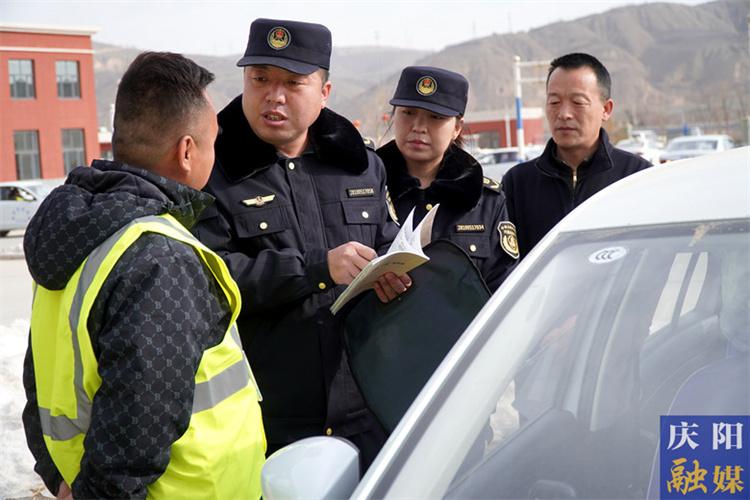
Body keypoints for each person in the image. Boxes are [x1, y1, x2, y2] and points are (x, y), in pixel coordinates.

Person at [22, 52, 266, 499]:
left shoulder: (76, 233)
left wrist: (59, 477)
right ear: (187, 151)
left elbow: (39, 375)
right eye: (212, 141)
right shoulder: (159, 255)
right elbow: (139, 422)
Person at [192, 18, 407, 468]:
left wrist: (393, 271)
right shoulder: (211, 172)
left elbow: (385, 241)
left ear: (324, 92)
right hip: (267, 419)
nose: (275, 95)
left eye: (293, 83)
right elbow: (209, 281)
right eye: (261, 79)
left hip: (367, 409)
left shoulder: (359, 164)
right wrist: (315, 269)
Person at [377, 66, 518, 292]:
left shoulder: (485, 200)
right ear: (394, 116)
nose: (418, 127)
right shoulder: (366, 189)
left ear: (457, 128)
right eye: (408, 113)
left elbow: (502, 286)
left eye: (435, 117)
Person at [502, 53, 651, 259]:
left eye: (578, 102)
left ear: (606, 109)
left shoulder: (638, 177)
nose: (564, 114)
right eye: (554, 102)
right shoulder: (517, 183)